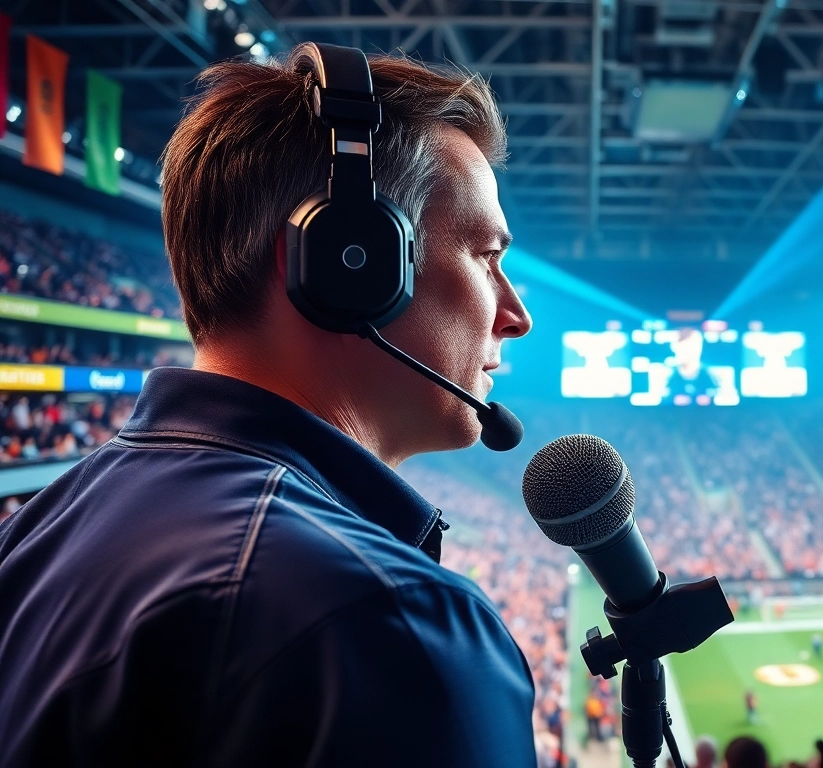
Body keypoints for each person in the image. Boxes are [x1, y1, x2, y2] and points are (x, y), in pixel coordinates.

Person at [0, 46, 534, 766]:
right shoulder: (386, 621)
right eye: (487, 256)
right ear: (350, 259)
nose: (515, 315)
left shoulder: (35, 533)